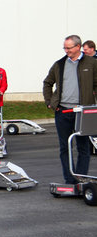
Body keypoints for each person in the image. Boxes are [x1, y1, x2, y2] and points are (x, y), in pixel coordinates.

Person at [43, 35, 97, 184]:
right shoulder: (59, 64)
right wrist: (49, 102)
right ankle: (69, 179)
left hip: (82, 112)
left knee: (83, 147)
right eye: (65, 48)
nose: (66, 51)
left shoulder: (91, 63)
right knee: (64, 147)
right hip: (63, 111)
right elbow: (47, 83)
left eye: (69, 48)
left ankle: (81, 178)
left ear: (78, 47)